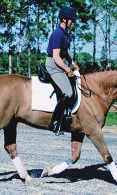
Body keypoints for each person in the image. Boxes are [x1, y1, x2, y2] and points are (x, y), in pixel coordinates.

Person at [45, 7, 80, 135]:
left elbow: (66, 51)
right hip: (54, 66)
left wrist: (73, 63)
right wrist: (67, 70)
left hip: (62, 63)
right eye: (71, 20)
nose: (73, 22)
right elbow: (56, 57)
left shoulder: (65, 33)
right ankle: (54, 122)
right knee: (68, 92)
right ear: (64, 19)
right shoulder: (57, 34)